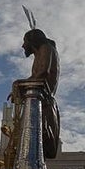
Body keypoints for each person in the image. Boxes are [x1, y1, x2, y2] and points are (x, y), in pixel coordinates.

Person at [11, 28, 61, 159]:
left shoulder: (46, 48)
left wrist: (19, 85)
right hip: (40, 101)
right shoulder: (42, 52)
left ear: (31, 41)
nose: (23, 46)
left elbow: (42, 73)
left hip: (42, 102)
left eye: (24, 41)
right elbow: (37, 76)